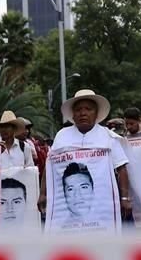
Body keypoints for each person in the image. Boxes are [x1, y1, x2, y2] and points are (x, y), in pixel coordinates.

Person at [44, 89, 132, 221]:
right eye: (78, 110)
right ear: (73, 115)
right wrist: (43, 193)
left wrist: (124, 198)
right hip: (67, 214)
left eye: (88, 109)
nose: (83, 113)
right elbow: (50, 166)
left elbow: (122, 168)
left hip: (103, 207)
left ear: (96, 113)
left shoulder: (108, 137)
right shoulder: (62, 136)